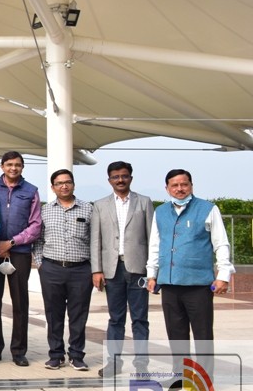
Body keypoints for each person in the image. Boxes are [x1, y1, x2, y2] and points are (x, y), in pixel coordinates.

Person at [146, 170, 233, 348]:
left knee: (203, 335)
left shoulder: (208, 209)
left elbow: (221, 243)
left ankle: (204, 368)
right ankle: (181, 367)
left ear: (191, 186)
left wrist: (223, 275)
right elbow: (155, 245)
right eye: (174, 185)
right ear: (167, 188)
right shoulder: (160, 212)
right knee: (176, 336)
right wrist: (151, 274)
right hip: (169, 284)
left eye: (184, 184)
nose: (180, 189)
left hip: (198, 285)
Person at [90, 161, 154, 377]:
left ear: (130, 178)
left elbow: (152, 239)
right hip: (112, 269)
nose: (120, 180)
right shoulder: (100, 205)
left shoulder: (144, 202)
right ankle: (114, 363)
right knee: (115, 318)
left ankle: (141, 366)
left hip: (138, 269)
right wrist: (96, 270)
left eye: (124, 176)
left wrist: (152, 271)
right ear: (109, 180)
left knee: (140, 319)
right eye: (115, 177)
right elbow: (96, 240)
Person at [0, 151, 41, 367]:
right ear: (2, 167)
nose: (13, 168)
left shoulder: (31, 191)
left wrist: (12, 243)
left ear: (22, 167)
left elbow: (35, 225)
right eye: (9, 164)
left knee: (20, 302)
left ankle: (18, 351)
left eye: (17, 164)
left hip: (20, 252)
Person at [34, 169, 94, 371]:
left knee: (78, 315)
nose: (64, 186)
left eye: (67, 182)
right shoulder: (45, 210)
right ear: (53, 187)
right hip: (51, 268)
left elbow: (95, 240)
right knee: (53, 314)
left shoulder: (88, 209)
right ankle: (56, 355)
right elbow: (38, 240)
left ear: (74, 185)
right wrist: (40, 264)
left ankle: (76, 355)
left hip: (81, 270)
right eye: (59, 183)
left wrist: (94, 269)